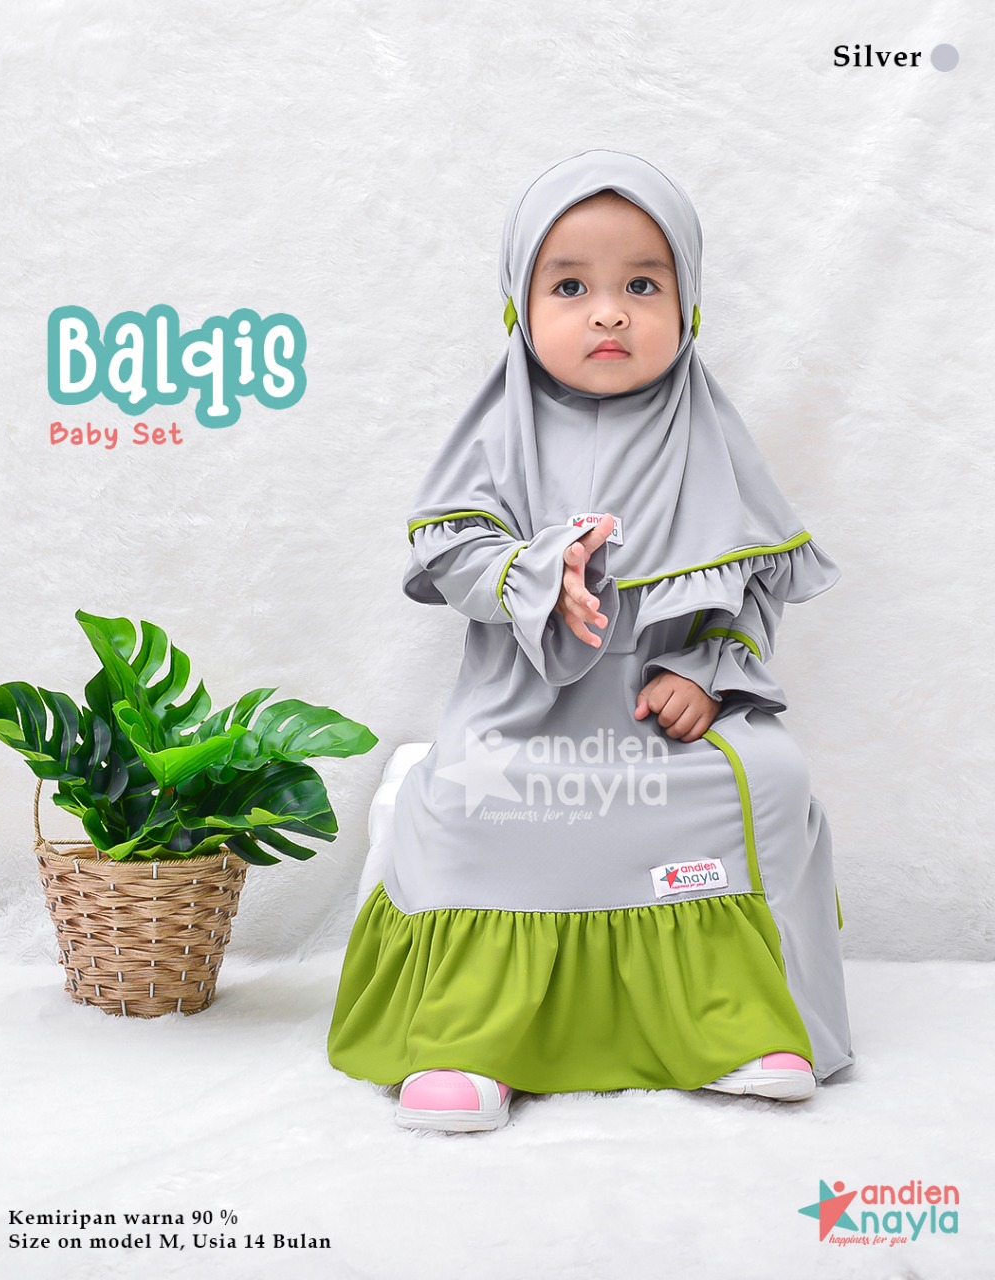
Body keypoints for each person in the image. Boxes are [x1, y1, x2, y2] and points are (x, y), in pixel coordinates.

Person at [327, 149, 853, 1132]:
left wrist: (703, 671)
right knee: (470, 807)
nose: (608, 313)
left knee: (768, 780)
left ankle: (733, 1020)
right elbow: (452, 550)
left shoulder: (708, 438)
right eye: (570, 286)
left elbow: (751, 584)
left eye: (641, 285)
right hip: (526, 710)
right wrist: (537, 572)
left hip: (660, 717)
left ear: (687, 305)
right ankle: (471, 1035)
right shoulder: (499, 431)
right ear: (519, 306)